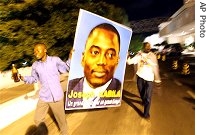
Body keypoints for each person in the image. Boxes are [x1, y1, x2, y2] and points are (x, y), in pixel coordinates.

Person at [19, 43, 71, 135]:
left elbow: (66, 68)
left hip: (56, 97)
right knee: (38, 119)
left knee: (61, 122)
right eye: (34, 51)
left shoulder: (54, 60)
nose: (36, 53)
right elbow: (34, 79)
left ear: (45, 50)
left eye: (38, 50)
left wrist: (71, 57)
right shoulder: (35, 65)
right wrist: (23, 78)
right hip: (44, 96)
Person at [67, 23, 121, 109]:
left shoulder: (119, 91)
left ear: (117, 62)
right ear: (83, 59)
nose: (101, 61)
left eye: (110, 54)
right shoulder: (69, 88)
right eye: (95, 52)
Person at [127, 42, 161, 120]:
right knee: (142, 93)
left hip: (149, 78)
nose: (148, 47)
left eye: (149, 46)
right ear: (143, 47)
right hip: (140, 76)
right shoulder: (139, 55)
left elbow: (155, 67)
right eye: (146, 46)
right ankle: (143, 100)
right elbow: (130, 62)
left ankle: (146, 114)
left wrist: (157, 80)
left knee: (148, 97)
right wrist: (128, 55)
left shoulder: (152, 56)